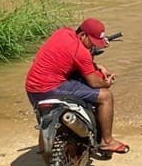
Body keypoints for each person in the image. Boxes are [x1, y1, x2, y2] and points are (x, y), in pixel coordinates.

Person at [25, 18, 129, 154]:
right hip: (53, 89)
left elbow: (66, 58)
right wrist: (107, 82)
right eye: (92, 42)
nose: (93, 46)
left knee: (45, 118)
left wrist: (97, 65)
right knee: (106, 97)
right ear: (83, 35)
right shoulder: (81, 52)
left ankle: (45, 150)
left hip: (32, 88)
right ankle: (107, 141)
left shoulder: (62, 32)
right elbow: (94, 82)